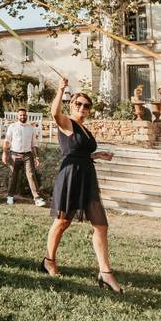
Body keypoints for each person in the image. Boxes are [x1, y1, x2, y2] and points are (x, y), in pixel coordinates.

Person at [42, 78, 121, 293]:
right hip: (70, 175)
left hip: (87, 174)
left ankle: (105, 272)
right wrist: (60, 89)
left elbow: (80, 151)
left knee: (101, 224)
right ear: (71, 105)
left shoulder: (85, 129)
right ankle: (49, 260)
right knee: (62, 222)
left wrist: (98, 155)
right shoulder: (67, 122)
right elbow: (54, 113)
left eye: (86, 105)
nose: (82, 108)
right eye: (78, 104)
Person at [3, 108, 45, 207]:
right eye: (21, 115)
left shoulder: (31, 128)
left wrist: (37, 158)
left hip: (27, 155)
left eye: (24, 115)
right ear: (18, 116)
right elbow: (7, 141)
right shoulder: (12, 127)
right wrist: (4, 153)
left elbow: (34, 144)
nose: (23, 117)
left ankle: (37, 198)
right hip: (14, 154)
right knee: (13, 176)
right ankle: (10, 196)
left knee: (31, 175)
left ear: (27, 116)